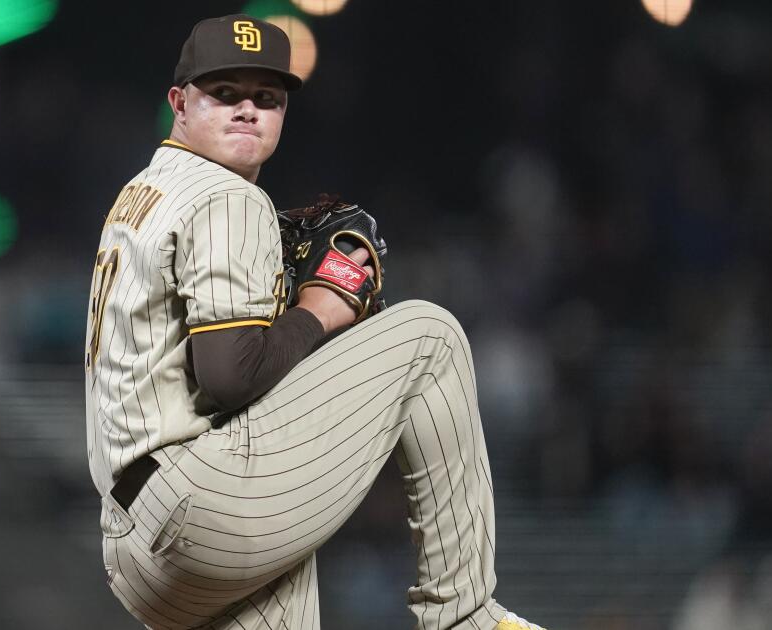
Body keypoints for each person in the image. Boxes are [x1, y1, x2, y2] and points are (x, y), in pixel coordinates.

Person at [84, 14, 546, 630]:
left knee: (286, 551)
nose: (247, 109)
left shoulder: (142, 194)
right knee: (430, 337)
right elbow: (226, 376)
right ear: (179, 103)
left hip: (136, 550)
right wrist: (317, 312)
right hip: (197, 506)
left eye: (266, 98)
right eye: (225, 93)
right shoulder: (225, 194)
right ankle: (465, 614)